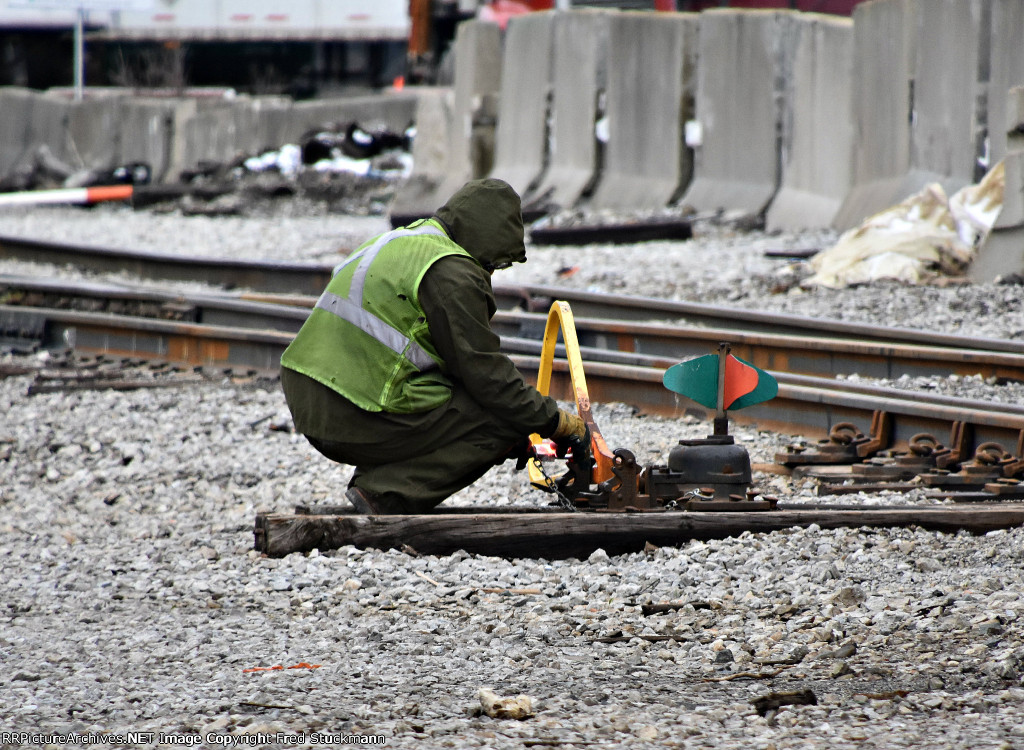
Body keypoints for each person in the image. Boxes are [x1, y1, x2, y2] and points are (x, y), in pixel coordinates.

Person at [280, 178, 589, 514]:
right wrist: (557, 423)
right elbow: (489, 379)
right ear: (488, 238)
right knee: (501, 417)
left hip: (310, 399)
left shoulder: (403, 241)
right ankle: (385, 493)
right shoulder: (451, 272)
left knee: (464, 401)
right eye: (495, 264)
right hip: (353, 411)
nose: (492, 273)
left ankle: (383, 480)